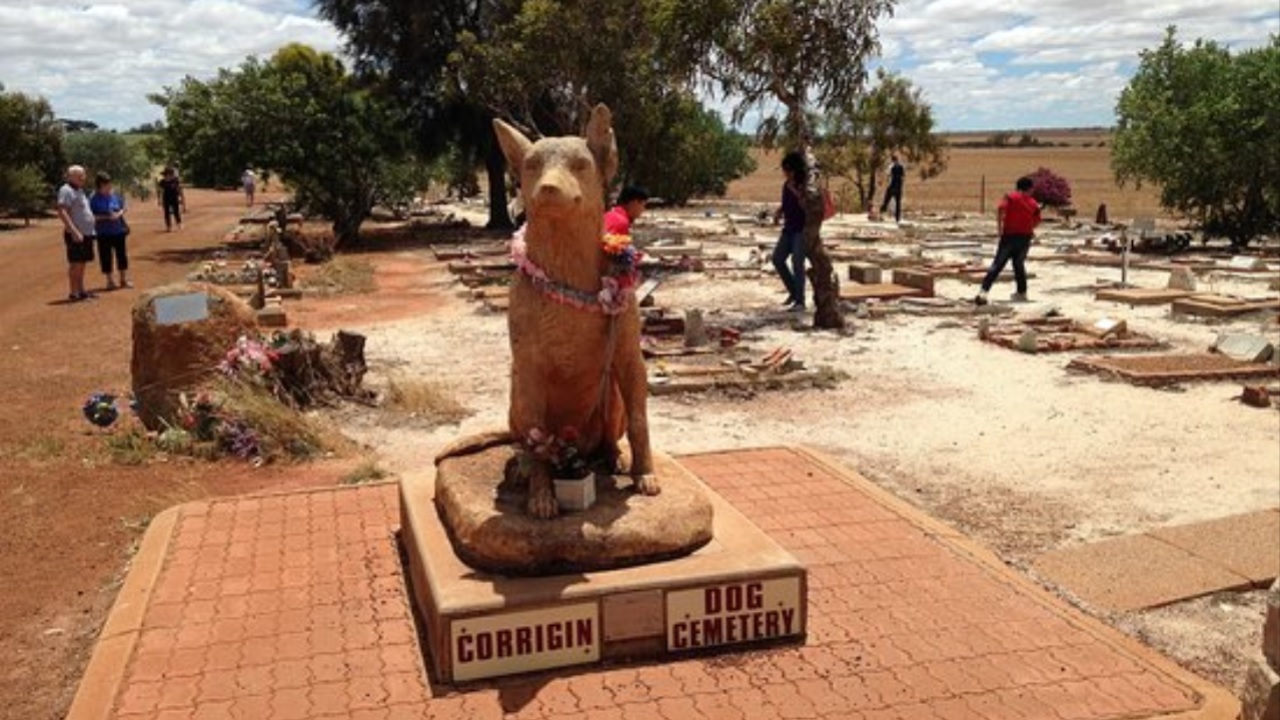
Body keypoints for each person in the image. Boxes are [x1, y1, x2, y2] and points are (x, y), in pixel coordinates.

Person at [975, 176, 1042, 305]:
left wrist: (999, 228)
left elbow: (1000, 210)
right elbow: (1037, 219)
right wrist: (1029, 227)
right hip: (1024, 238)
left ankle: (984, 291)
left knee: (998, 264)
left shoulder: (1010, 197)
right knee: (1019, 264)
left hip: (1009, 236)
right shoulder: (1033, 202)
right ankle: (1021, 292)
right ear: (1029, 188)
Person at [772, 151, 809, 311]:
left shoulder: (805, 186)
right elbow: (786, 203)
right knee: (777, 259)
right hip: (788, 228)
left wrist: (795, 190)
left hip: (801, 229)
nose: (785, 174)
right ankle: (793, 291)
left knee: (797, 264)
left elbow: (806, 204)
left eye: (787, 171)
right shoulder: (786, 185)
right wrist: (779, 211)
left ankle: (800, 301)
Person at [55, 165, 97, 301]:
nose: (83, 178)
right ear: (71, 176)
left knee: (82, 262)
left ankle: (81, 290)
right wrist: (74, 231)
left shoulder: (79, 190)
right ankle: (74, 293)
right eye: (80, 176)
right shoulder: (66, 190)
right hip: (76, 234)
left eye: (83, 175)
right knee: (76, 263)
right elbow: (62, 211)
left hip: (86, 233)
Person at [89, 173, 131, 289]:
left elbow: (124, 207)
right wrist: (107, 217)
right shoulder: (94, 200)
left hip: (118, 231)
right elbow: (91, 217)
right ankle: (110, 281)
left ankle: (123, 279)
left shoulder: (114, 196)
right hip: (103, 233)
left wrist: (119, 214)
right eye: (105, 184)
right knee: (106, 256)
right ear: (99, 185)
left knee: (122, 255)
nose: (108, 186)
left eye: (109, 183)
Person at [880, 154, 905, 222]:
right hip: (899, 187)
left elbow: (888, 176)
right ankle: (897, 218)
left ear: (892, 160)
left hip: (892, 187)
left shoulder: (891, 167)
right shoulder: (901, 167)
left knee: (886, 201)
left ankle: (881, 214)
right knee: (898, 203)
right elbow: (903, 177)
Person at [158, 166, 184, 231]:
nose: (166, 176)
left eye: (168, 174)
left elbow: (179, 189)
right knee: (166, 212)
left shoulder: (175, 180)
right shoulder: (162, 182)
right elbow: (161, 191)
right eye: (165, 174)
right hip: (166, 198)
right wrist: (160, 200)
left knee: (176, 211)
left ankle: (179, 224)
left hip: (174, 197)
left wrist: (181, 197)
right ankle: (168, 226)